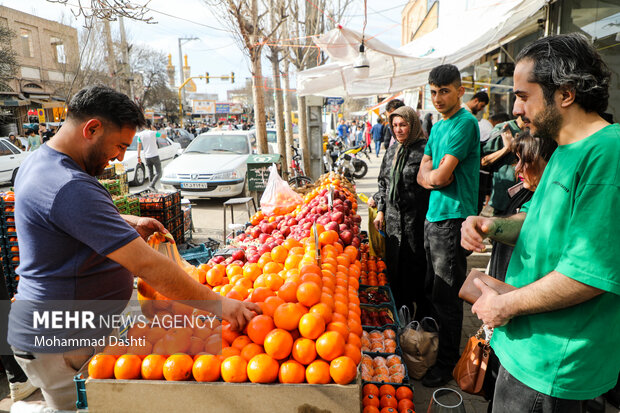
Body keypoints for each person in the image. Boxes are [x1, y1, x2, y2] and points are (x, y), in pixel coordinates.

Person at [8, 85, 260, 412]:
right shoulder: (69, 185)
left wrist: (124, 220)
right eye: (120, 145)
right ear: (92, 129)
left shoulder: (42, 161)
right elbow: (148, 266)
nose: (120, 157)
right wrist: (220, 305)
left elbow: (64, 216)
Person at [461, 34, 619, 413]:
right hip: (525, 348)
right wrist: (491, 226)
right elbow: (538, 219)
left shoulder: (608, 154)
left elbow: (588, 275)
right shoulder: (564, 147)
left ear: (564, 93)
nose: (516, 108)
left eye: (523, 95)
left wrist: (505, 305)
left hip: (552, 365)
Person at [416, 64, 480, 387]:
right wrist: (433, 177)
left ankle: (448, 364)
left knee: (446, 295)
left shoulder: (464, 124)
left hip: (453, 220)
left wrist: (434, 177)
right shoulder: (438, 126)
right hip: (433, 218)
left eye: (444, 91)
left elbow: (440, 175)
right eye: (433, 92)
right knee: (433, 290)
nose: (438, 98)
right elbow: (425, 173)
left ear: (460, 91)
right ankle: (439, 354)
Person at [373, 106, 430, 318]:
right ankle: (399, 318)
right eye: (395, 125)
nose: (398, 130)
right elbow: (383, 183)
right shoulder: (392, 150)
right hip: (393, 224)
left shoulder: (425, 150)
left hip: (417, 222)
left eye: (403, 125)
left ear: (413, 125)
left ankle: (420, 322)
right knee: (395, 272)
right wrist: (380, 211)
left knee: (416, 271)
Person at [480, 116, 525, 216]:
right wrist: (506, 149)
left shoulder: (538, 131)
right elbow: (483, 161)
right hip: (501, 202)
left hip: (526, 201)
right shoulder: (504, 129)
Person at [137, 122, 163, 192]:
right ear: (150, 125)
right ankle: (151, 185)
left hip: (147, 157)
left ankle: (151, 188)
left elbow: (139, 146)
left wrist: (138, 157)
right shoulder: (153, 133)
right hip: (154, 155)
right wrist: (154, 129)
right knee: (159, 173)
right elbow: (164, 136)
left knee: (150, 173)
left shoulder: (140, 135)